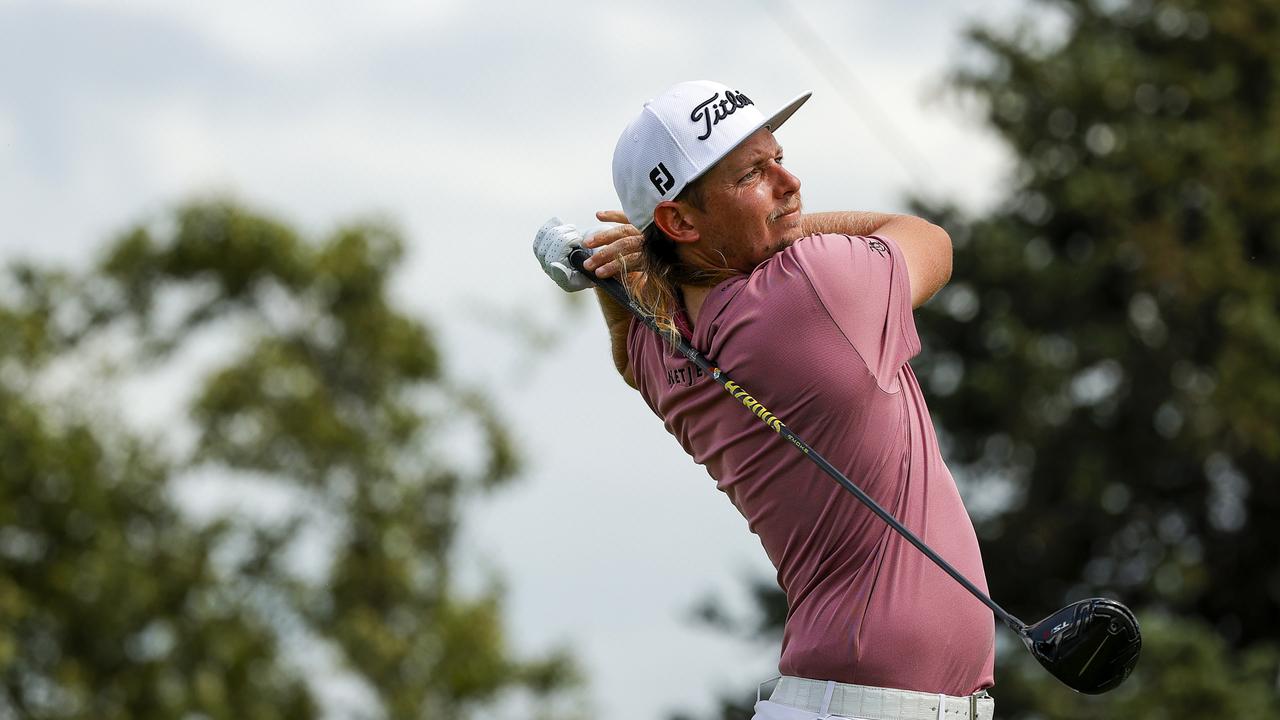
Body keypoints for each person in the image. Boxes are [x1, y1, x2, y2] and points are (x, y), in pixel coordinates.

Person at [533, 80, 996, 720]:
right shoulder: (810, 287)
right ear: (680, 220)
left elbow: (630, 352)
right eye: (754, 173)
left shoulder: (663, 360)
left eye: (778, 157)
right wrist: (642, 259)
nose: (790, 181)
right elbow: (927, 238)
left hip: (835, 700)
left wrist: (635, 267)